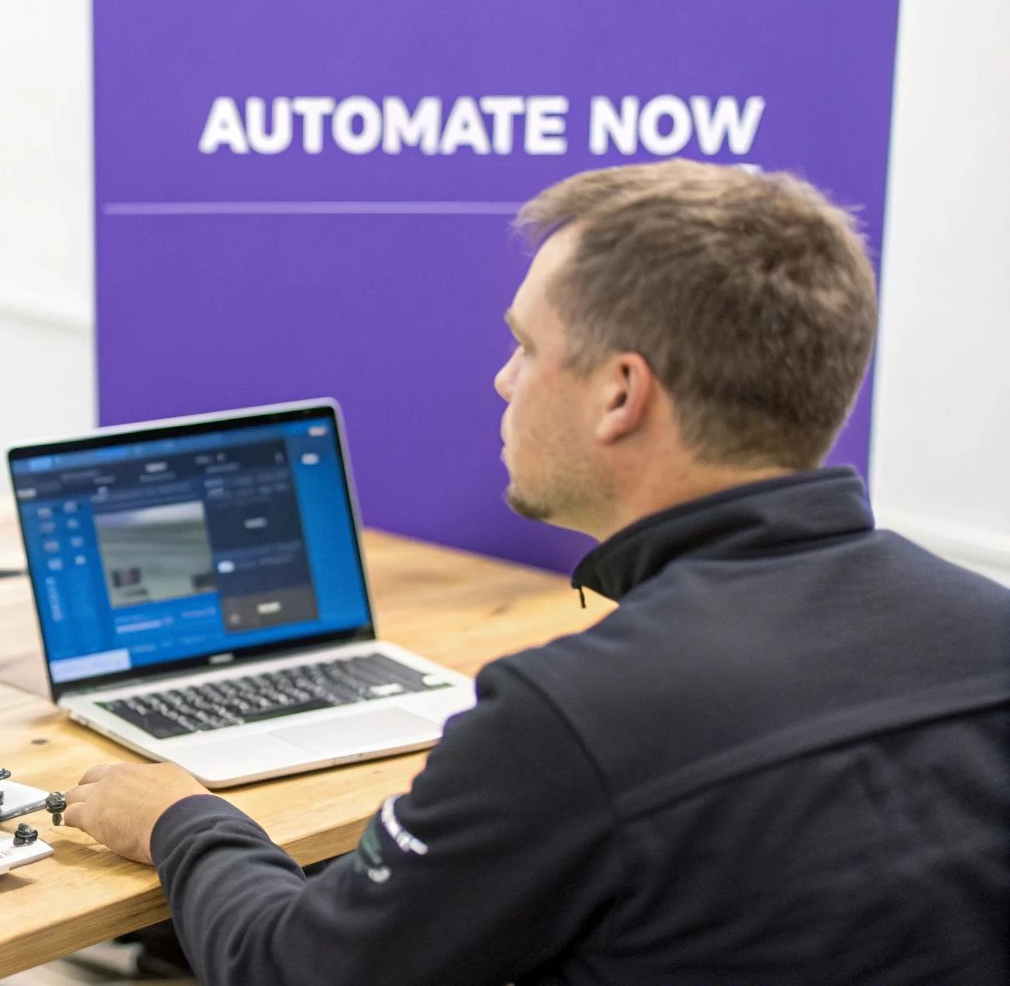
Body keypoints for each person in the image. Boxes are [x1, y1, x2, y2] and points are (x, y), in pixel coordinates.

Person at [63, 159, 1010, 985]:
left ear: (620, 393)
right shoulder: (989, 631)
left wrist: (182, 820)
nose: (503, 381)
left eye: (525, 344)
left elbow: (297, 969)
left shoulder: (576, 720)